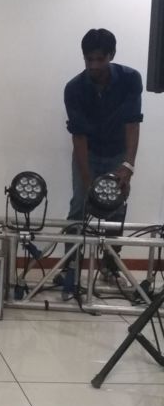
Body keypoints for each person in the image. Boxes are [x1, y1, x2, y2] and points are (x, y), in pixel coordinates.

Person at [62, 28, 143, 296]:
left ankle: (110, 265)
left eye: (100, 59)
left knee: (116, 207)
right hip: (88, 151)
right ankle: (70, 267)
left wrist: (127, 166)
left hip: (117, 152)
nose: (94, 65)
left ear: (111, 55)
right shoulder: (74, 88)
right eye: (89, 59)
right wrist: (88, 182)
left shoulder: (130, 79)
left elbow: (132, 123)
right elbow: (79, 137)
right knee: (79, 205)